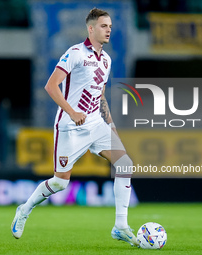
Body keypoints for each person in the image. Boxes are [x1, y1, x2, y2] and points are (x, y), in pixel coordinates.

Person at [11, 8, 139, 247]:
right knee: (61, 182)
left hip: (96, 123)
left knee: (125, 164)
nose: (109, 29)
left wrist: (110, 125)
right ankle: (25, 209)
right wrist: (72, 112)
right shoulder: (75, 53)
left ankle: (120, 226)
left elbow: (100, 96)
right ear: (91, 29)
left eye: (110, 26)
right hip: (70, 127)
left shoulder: (107, 60)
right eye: (103, 26)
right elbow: (51, 86)